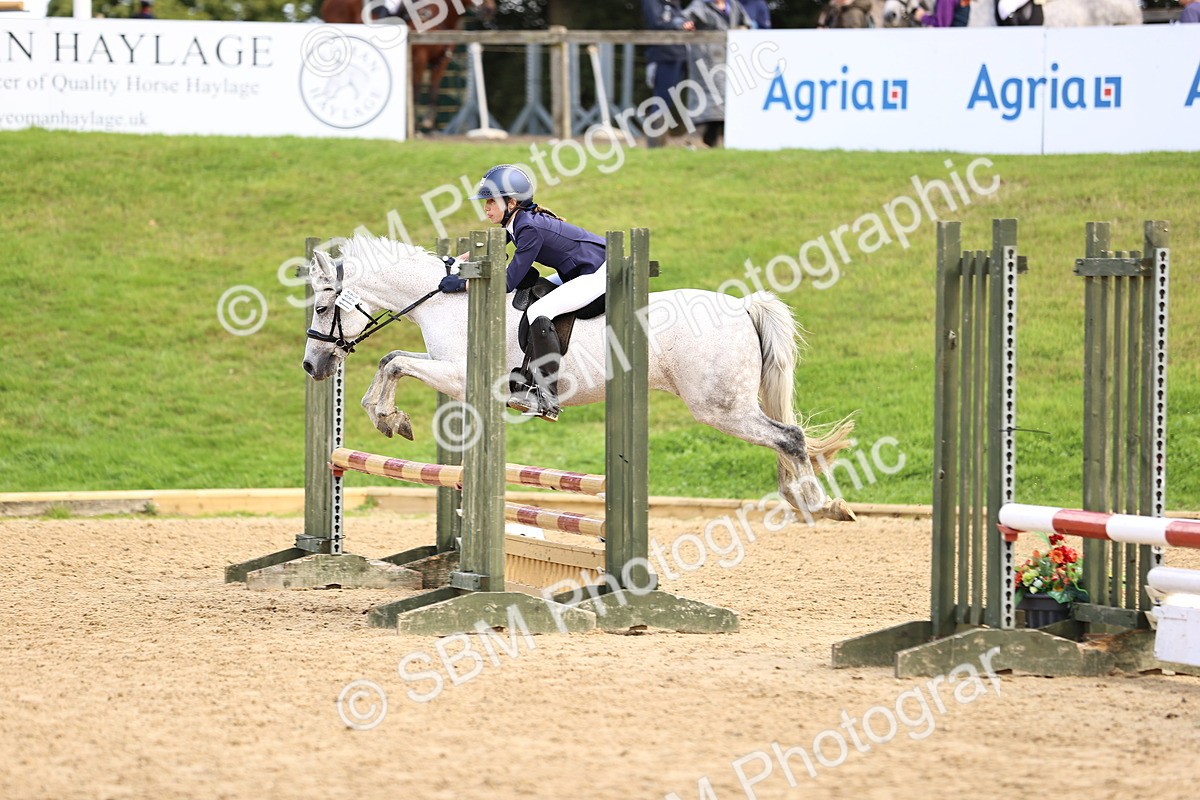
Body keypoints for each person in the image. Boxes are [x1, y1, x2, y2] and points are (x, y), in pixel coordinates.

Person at [439, 165, 607, 421]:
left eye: (491, 202)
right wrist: (455, 262)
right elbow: (489, 247)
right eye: (486, 202)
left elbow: (506, 283)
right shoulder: (517, 221)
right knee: (536, 291)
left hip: (599, 272)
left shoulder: (528, 227)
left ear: (512, 202)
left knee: (539, 310)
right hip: (577, 270)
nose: (486, 207)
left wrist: (463, 284)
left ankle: (546, 396)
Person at [683, 0, 753, 148]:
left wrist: (742, 32)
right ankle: (694, 137)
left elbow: (746, 23)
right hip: (705, 57)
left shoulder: (733, 5)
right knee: (708, 98)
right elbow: (684, 19)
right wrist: (686, 25)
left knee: (724, 99)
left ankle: (711, 143)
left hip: (728, 57)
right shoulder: (700, 5)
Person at [642, 1, 695, 148]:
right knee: (662, 99)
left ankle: (660, 143)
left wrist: (684, 24)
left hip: (679, 55)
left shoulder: (674, 3)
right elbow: (657, 22)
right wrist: (676, 24)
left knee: (670, 99)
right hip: (663, 56)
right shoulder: (652, 2)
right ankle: (655, 143)